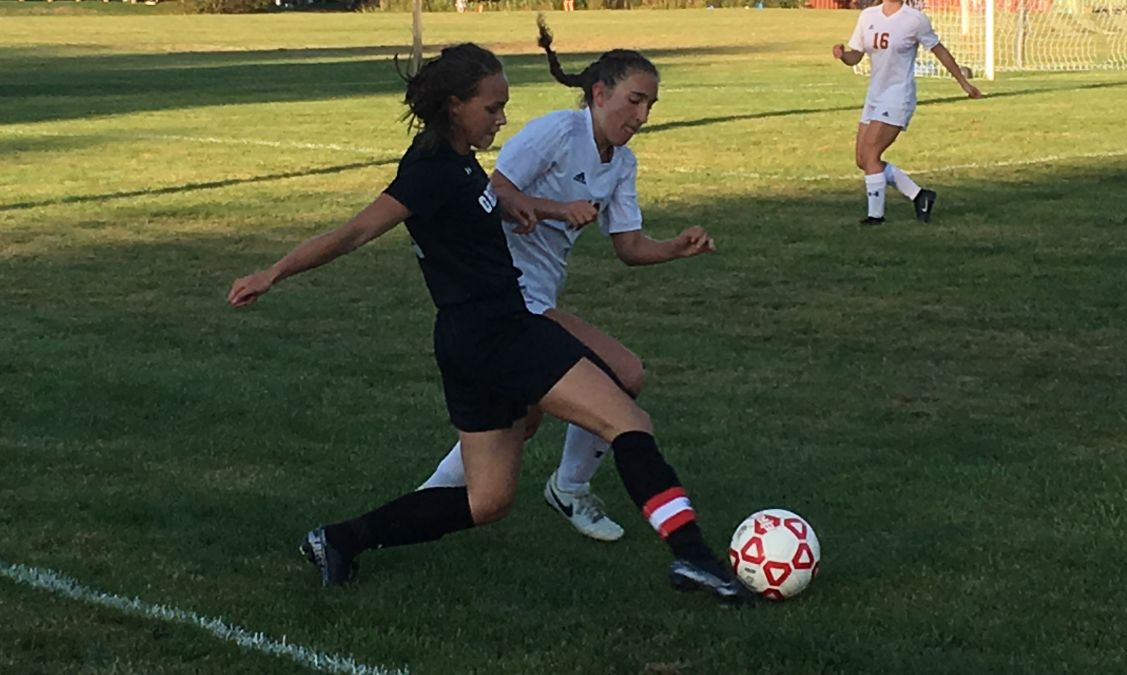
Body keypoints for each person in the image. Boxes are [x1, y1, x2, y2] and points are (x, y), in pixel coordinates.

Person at [226, 43, 745, 604]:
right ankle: (694, 558)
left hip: (468, 340)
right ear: (455, 105)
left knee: (488, 500)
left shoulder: (458, 158)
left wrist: (520, 206)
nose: (502, 119)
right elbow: (352, 233)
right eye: (492, 108)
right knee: (628, 420)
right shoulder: (430, 171)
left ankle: (338, 539)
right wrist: (272, 273)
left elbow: (480, 205)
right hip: (502, 332)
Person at [418, 17, 715, 545]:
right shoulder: (558, 131)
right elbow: (492, 191)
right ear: (599, 94)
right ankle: (569, 487)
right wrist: (557, 209)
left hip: (533, 298)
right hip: (507, 296)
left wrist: (676, 247)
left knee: (517, 422)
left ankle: (415, 508)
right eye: (634, 101)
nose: (642, 116)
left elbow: (628, 247)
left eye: (650, 106)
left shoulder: (622, 163)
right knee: (623, 373)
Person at [832, 0, 982, 226]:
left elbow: (939, 50)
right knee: (862, 159)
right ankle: (920, 195)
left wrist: (963, 83)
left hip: (898, 96)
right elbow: (856, 56)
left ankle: (876, 217)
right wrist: (843, 54)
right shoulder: (868, 16)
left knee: (871, 154)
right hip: (874, 96)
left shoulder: (914, 19)